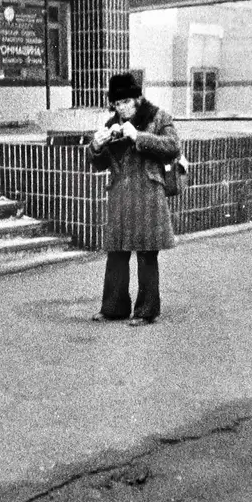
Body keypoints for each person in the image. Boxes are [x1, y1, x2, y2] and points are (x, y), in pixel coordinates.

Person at [88, 72, 178, 326]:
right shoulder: (111, 124)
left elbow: (173, 148)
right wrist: (96, 145)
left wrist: (139, 137)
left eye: (126, 102)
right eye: (116, 104)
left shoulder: (159, 117)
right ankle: (113, 308)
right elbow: (98, 163)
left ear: (137, 99)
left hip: (148, 194)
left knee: (146, 254)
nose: (121, 108)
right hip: (120, 195)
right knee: (116, 253)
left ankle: (146, 311)